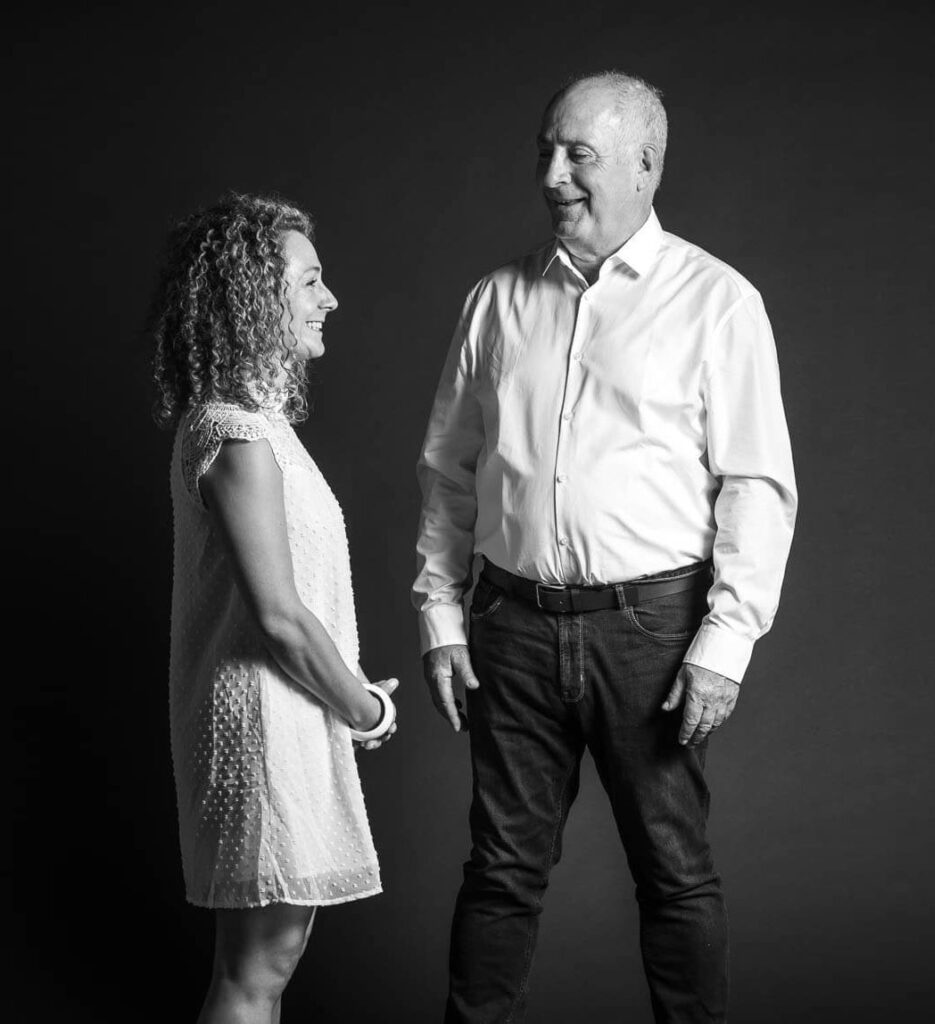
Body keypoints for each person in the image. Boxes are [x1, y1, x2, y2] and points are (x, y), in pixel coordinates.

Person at [413, 72, 797, 1023]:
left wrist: (725, 646)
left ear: (645, 165)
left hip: (653, 635)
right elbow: (448, 469)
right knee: (500, 870)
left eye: (577, 155)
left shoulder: (718, 301)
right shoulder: (495, 300)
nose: (552, 176)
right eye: (546, 152)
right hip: (508, 626)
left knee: (673, 871)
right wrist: (440, 617)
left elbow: (756, 484)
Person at [151, 192, 399, 1024]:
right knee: (257, 970)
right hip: (258, 722)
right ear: (254, 295)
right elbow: (281, 617)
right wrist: (365, 707)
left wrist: (344, 701)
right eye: (309, 281)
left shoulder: (257, 425)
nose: (330, 299)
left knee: (263, 966)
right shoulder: (237, 434)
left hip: (283, 714)